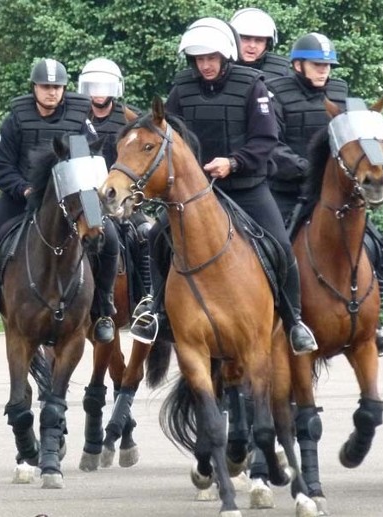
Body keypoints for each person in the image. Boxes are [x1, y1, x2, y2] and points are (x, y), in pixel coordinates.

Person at [132, 17, 317, 355]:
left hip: (246, 186)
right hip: (196, 193)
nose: (205, 65)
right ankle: (156, 311)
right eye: (199, 59)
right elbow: (167, 138)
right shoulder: (181, 89)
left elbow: (266, 139)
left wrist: (232, 163)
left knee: (280, 247)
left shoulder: (253, 85)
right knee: (158, 236)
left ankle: (294, 322)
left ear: (225, 56)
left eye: (211, 58)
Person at [265, 32, 383, 356]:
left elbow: (361, 141)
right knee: (275, 251)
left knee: (379, 246)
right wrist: (306, 168)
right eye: (316, 64)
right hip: (289, 189)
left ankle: (372, 323)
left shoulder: (342, 95)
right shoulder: (276, 94)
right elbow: (272, 144)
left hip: (335, 192)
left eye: (327, 65)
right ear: (298, 65)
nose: (323, 71)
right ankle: (280, 319)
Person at [0, 58, 118, 344]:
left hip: (73, 199)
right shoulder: (15, 119)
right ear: (34, 87)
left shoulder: (79, 118)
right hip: (24, 196)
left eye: (57, 87)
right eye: (46, 86)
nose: (52, 92)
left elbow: (94, 157)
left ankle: (102, 309)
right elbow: (2, 167)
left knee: (109, 238)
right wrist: (23, 189)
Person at [78, 57, 152, 303]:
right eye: (93, 86)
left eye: (104, 86)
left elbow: (142, 162)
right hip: (86, 199)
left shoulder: (131, 120)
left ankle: (148, 299)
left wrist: (130, 199)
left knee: (146, 232)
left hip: (124, 198)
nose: (99, 92)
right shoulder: (77, 120)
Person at [229, 7, 290, 79]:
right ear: (233, 39)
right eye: (246, 39)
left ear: (268, 44)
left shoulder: (283, 75)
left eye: (259, 40)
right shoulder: (218, 69)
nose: (252, 45)